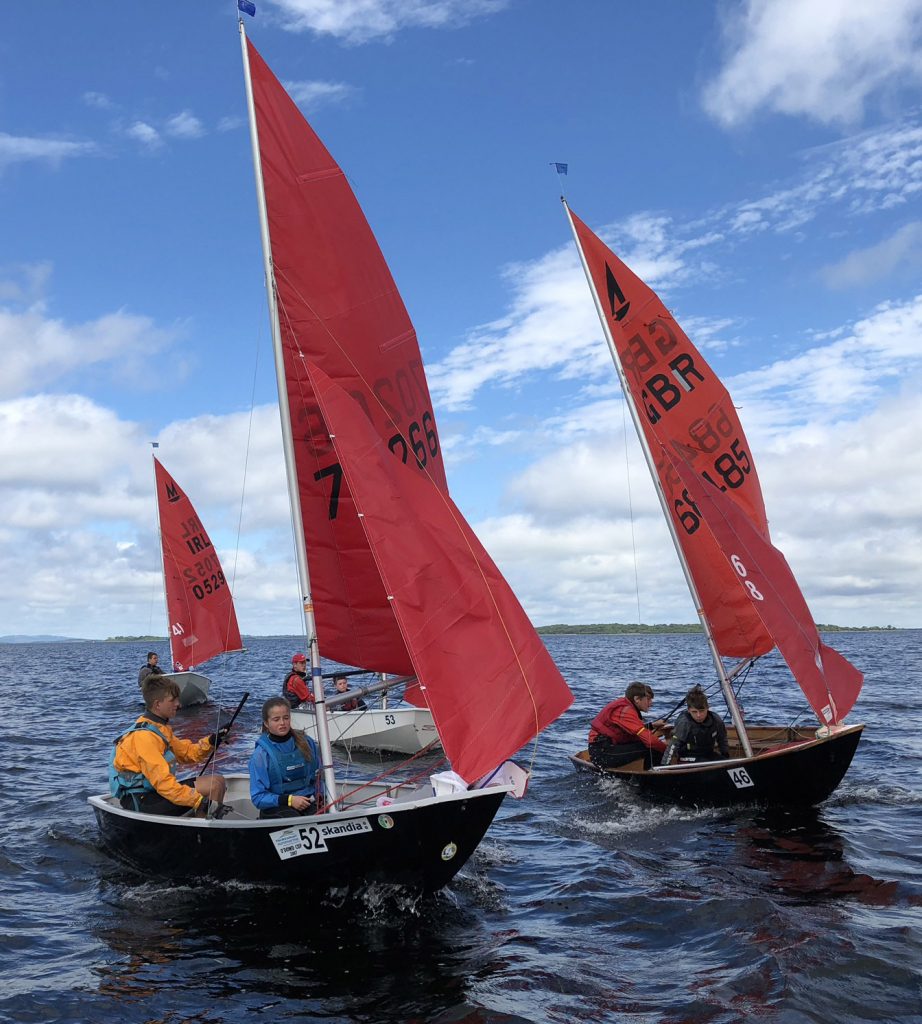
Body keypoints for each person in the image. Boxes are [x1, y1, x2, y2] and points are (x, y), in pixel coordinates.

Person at [110, 676, 229, 816]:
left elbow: (187, 753)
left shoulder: (159, 728)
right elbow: (163, 783)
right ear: (157, 704)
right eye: (172, 700)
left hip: (155, 792)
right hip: (141, 801)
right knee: (213, 787)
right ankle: (203, 834)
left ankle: (205, 823)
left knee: (218, 780)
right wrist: (199, 801)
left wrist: (212, 741)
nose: (178, 704)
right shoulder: (144, 737)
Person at [248, 697, 322, 819]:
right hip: (278, 806)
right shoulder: (261, 755)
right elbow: (258, 798)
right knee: (293, 817)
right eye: (276, 719)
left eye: (286, 718)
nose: (282, 723)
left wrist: (321, 795)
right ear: (266, 723)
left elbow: (319, 777)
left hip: (307, 801)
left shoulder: (307, 743)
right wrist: (289, 800)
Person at [587, 681, 671, 769]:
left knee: (647, 744)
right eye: (648, 699)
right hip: (602, 754)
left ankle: (649, 771)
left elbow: (631, 730)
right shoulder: (626, 711)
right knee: (652, 748)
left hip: (606, 747)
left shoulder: (626, 706)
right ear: (637, 699)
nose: (651, 703)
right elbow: (651, 742)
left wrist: (651, 725)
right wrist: (667, 751)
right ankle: (654, 774)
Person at [663, 686, 730, 763]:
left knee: (724, 762)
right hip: (688, 756)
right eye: (694, 712)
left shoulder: (715, 719)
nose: (698, 715)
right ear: (688, 710)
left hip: (708, 754)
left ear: (708, 708)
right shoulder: (684, 723)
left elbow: (722, 739)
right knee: (705, 762)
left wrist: (725, 755)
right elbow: (673, 746)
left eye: (701, 711)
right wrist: (664, 765)